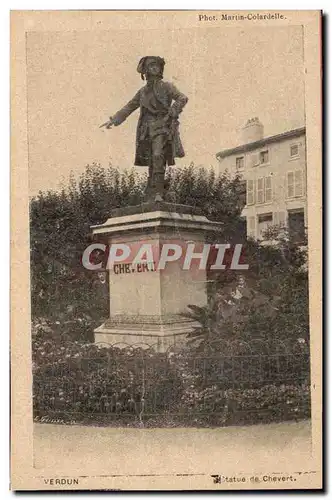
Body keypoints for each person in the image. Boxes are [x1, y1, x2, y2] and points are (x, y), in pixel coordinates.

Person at [101, 56, 188, 200]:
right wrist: (114, 120)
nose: (155, 68)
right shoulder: (142, 92)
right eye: (152, 66)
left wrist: (172, 112)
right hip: (146, 129)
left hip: (162, 126)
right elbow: (129, 106)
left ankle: (159, 191)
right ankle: (152, 190)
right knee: (151, 160)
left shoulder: (167, 86)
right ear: (146, 70)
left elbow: (182, 98)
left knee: (158, 155)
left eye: (157, 66)